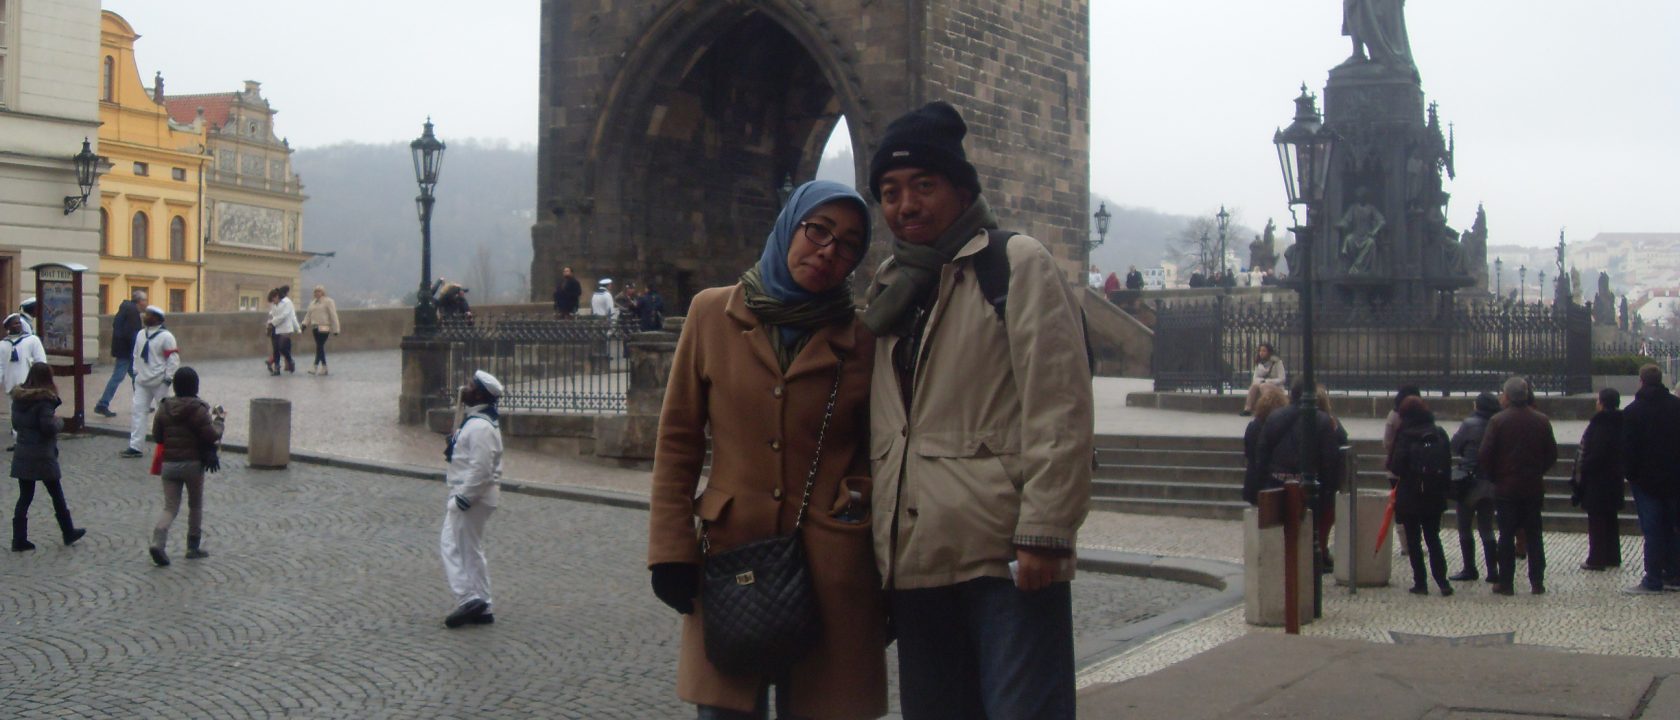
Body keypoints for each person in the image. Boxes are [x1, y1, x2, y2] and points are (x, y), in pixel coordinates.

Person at [861, 102, 1092, 720]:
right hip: (916, 557)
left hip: (1003, 556)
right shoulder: (889, 287)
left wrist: (1045, 532)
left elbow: (1059, 406)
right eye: (890, 192)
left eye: (923, 185)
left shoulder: (1015, 263)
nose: (905, 204)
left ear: (961, 190)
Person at [647, 179, 886, 719]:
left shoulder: (862, 339)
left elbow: (881, 446)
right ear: (789, 226)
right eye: (818, 230)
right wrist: (670, 549)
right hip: (732, 552)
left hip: (832, 561)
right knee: (726, 709)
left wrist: (856, 501)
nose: (828, 251)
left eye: (848, 244)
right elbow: (679, 439)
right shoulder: (711, 314)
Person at [1478, 376, 1558, 596]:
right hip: (1532, 486)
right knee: (1534, 535)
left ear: (1507, 396)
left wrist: (1496, 476)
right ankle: (1537, 581)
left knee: (1506, 535)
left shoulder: (1498, 421)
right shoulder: (1541, 420)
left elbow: (1485, 454)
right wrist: (1537, 471)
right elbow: (1552, 453)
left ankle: (1506, 582)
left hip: (1506, 487)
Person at [441, 370, 504, 628]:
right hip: (475, 494)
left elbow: (481, 469)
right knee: (467, 549)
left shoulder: (480, 427)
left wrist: (462, 500)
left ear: (479, 394)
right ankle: (483, 604)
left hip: (472, 496)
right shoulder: (477, 421)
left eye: (470, 385)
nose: (464, 388)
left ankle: (469, 598)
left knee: (454, 547)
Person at [147, 367, 223, 566]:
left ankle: (157, 542)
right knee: (195, 505)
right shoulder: (199, 409)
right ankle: (192, 547)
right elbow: (212, 435)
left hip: (169, 464)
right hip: (192, 464)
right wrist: (220, 421)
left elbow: (157, 436)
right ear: (195, 386)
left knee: (170, 507)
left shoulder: (164, 407)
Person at [10, 363, 85, 551]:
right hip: (42, 455)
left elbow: (16, 425)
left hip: (23, 453)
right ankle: (68, 531)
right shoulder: (44, 401)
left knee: (25, 497)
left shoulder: (19, 399)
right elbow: (48, 427)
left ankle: (18, 539)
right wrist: (59, 423)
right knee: (56, 493)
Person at [1619, 365, 1680, 595]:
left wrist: (1631, 474)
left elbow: (1628, 449)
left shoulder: (1633, 411)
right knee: (1673, 527)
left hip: (1645, 481)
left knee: (1652, 529)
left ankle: (1653, 578)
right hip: (1674, 477)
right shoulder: (1676, 407)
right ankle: (1674, 573)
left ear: (1641, 381)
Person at [1387, 396, 1453, 596]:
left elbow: (1396, 466)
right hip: (1434, 493)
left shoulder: (1405, 435)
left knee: (1414, 540)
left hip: (1410, 494)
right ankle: (1443, 582)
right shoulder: (1438, 432)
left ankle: (1420, 583)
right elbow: (1447, 461)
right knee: (1433, 537)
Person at [1447, 391, 1500, 582]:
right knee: (1487, 528)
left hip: (1469, 481)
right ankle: (1493, 571)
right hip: (1490, 481)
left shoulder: (1469, 424)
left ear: (1477, 405)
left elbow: (1455, 445)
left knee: (1464, 526)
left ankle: (1469, 568)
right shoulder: (1498, 424)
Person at [1574, 388, 1625, 572]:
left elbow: (1595, 453)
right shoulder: (1621, 423)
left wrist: (1584, 469)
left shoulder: (1600, 424)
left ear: (1602, 403)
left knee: (1596, 519)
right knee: (1611, 517)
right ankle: (1612, 555)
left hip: (1597, 480)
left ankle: (1597, 558)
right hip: (1615, 477)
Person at [122, 306, 179, 459]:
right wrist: (135, 373)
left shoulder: (166, 337)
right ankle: (135, 446)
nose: (144, 316)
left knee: (165, 415)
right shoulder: (141, 334)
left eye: (148, 315)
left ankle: (169, 446)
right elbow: (136, 354)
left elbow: (173, 359)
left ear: (157, 318)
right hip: (142, 381)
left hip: (160, 381)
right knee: (138, 413)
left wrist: (168, 379)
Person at [95, 290, 145, 417]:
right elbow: (132, 334)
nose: (146, 303)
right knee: (118, 377)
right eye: (144, 300)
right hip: (127, 351)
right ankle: (103, 404)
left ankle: (141, 403)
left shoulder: (125, 309)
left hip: (122, 349)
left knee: (136, 376)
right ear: (139, 301)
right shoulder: (132, 312)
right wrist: (137, 350)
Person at [1241, 383, 1289, 504]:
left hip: (1253, 480)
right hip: (1271, 482)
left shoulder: (1253, 426)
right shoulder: (1280, 427)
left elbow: (1248, 452)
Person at [1, 313, 48, 395]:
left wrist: (40, 380)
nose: (18, 325)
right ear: (8, 327)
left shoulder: (32, 340)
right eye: (15, 323)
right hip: (11, 385)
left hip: (30, 384)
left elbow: (41, 360)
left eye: (19, 323)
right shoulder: (3, 344)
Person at [302, 285, 341, 376]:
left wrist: (336, 329)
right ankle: (324, 367)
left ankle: (315, 366)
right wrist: (304, 324)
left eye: (319, 291)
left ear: (323, 292)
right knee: (320, 346)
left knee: (319, 345)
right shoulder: (312, 303)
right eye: (315, 291)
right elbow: (308, 315)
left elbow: (333, 315)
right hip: (315, 327)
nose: (317, 293)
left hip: (324, 326)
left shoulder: (328, 301)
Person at [1240, 343, 1287, 416]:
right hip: (1262, 384)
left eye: (1264, 351)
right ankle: (1247, 409)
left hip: (1276, 387)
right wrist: (1261, 381)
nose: (1261, 353)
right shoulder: (1259, 363)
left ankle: (1269, 408)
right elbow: (1255, 378)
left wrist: (1267, 381)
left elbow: (1282, 379)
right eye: (1260, 351)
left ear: (1269, 352)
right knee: (1254, 386)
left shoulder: (1277, 362)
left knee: (1263, 386)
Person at [266, 286, 300, 375]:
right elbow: (271, 315)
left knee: (282, 347)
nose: (273, 302)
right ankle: (277, 369)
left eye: (273, 299)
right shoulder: (273, 305)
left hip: (285, 328)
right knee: (276, 349)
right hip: (275, 328)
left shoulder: (287, 302)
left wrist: (297, 328)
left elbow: (284, 315)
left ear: (277, 296)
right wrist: (269, 323)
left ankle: (290, 360)